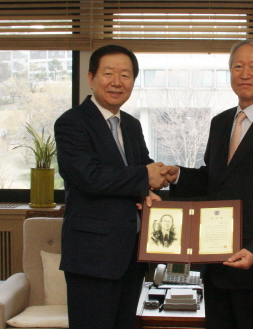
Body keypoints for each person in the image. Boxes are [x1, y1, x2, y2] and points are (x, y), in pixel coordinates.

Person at [164, 40, 253, 329]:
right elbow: (213, 180)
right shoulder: (220, 123)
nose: (244, 74)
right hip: (217, 261)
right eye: (237, 66)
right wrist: (178, 175)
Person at [54, 44, 168, 329]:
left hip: (132, 253)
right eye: (108, 73)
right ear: (91, 77)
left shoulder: (131, 124)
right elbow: (90, 177)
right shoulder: (72, 123)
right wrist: (145, 178)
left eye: (126, 75)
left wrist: (164, 176)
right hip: (92, 256)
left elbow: (142, 168)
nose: (117, 82)